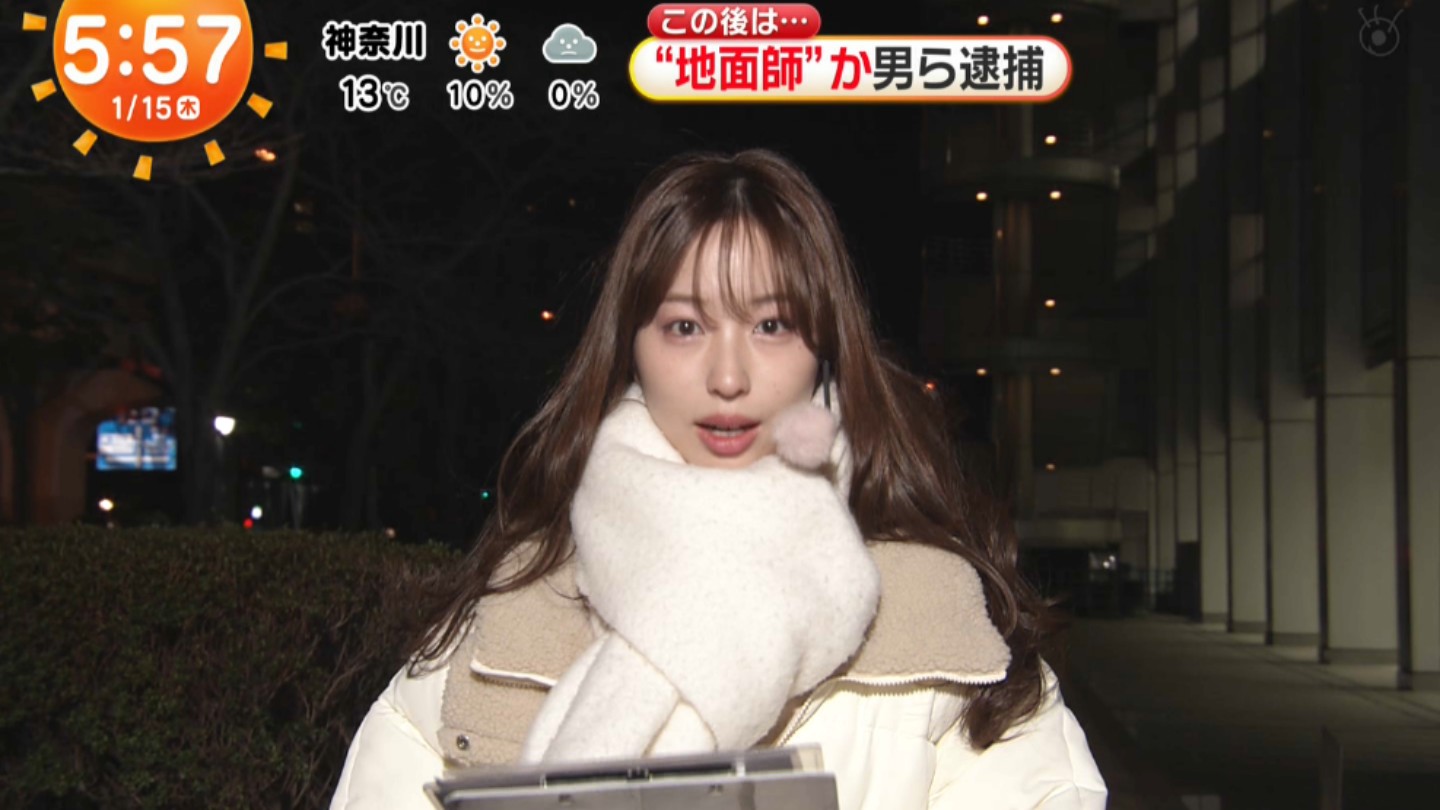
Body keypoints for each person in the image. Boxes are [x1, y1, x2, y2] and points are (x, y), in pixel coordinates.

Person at [329, 149, 1107, 809]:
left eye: (771, 325)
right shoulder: (515, 607)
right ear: (630, 348)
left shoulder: (941, 621)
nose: (727, 376)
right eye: (685, 326)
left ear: (825, 349)